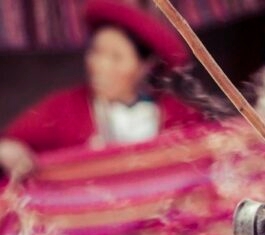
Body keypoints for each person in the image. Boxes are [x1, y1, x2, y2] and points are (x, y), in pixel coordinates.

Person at [0, 0, 204, 180]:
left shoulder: (179, 115)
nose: (100, 65)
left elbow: (210, 154)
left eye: (116, 57)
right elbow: (6, 143)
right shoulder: (63, 108)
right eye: (96, 52)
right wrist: (8, 150)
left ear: (146, 66)